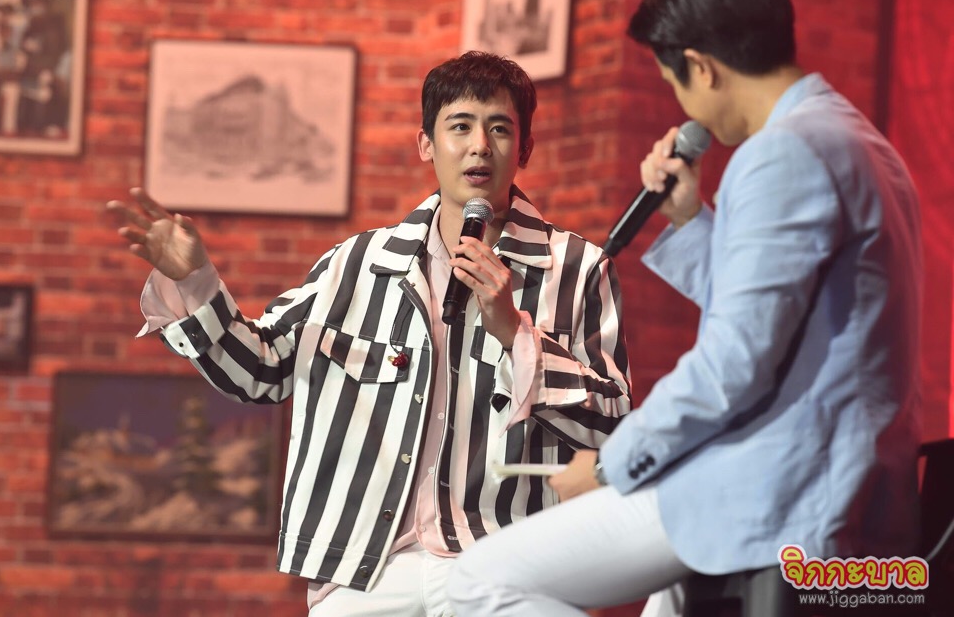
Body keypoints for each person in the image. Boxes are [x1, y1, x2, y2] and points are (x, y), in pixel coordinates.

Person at [447, 0, 923, 615]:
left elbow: (734, 363)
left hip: (777, 482)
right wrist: (691, 219)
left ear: (701, 66)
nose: (683, 105)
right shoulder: (857, 139)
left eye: (674, 83)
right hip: (845, 476)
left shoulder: (782, 153)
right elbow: (784, 320)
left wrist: (614, 462)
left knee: (477, 580)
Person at [107, 51, 632, 616]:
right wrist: (196, 282)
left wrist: (515, 334)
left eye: (499, 128)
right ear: (426, 144)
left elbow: (616, 427)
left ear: (524, 148)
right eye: (459, 126)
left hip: (504, 560)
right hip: (368, 572)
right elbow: (260, 370)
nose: (480, 145)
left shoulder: (578, 269)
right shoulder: (355, 264)